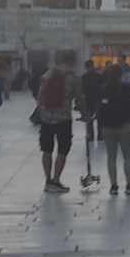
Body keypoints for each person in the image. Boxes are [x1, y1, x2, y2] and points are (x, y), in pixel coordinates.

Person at [95, 62, 130, 195]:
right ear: (121, 75)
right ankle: (129, 185)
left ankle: (113, 186)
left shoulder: (103, 89)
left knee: (111, 157)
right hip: (123, 125)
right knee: (127, 156)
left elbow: (99, 108)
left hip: (107, 127)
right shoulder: (126, 88)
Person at [37, 50, 78, 192]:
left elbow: (39, 97)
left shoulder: (47, 75)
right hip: (63, 119)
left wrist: (42, 112)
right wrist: (85, 114)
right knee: (62, 150)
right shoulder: (72, 77)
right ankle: (56, 180)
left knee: (46, 150)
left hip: (46, 119)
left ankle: (48, 181)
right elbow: (80, 98)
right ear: (72, 62)